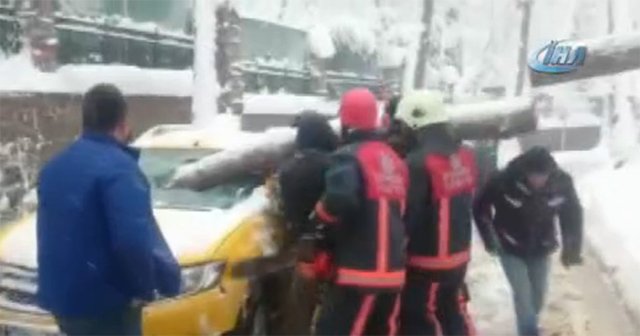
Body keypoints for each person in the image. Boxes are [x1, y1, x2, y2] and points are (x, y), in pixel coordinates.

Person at [37, 84, 181, 335]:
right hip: (105, 304)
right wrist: (143, 288)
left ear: (85, 122)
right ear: (122, 123)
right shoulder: (120, 170)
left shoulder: (55, 167)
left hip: (62, 298)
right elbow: (132, 241)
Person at [311, 88, 409, 335]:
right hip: (394, 272)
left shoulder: (348, 156)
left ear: (345, 121)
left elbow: (340, 198)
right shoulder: (394, 159)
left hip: (359, 271)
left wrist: (319, 218)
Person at [473, 146, 583, 336]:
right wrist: (490, 238)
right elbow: (480, 207)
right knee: (523, 297)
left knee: (537, 297)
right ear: (525, 171)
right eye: (534, 176)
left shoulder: (561, 183)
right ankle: (529, 332)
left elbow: (572, 215)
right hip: (509, 246)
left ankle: (529, 324)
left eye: (543, 176)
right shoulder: (504, 180)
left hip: (541, 247)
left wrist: (571, 249)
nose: (538, 181)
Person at [394, 91, 477, 336]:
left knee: (421, 319)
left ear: (415, 122)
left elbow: (409, 215)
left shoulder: (417, 164)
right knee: (453, 312)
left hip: (426, 260)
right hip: (459, 254)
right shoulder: (465, 156)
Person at [273, 111, 339, 334]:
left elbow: (283, 207)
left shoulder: (288, 168)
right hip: (333, 248)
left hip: (301, 248)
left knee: (300, 309)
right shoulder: (335, 164)